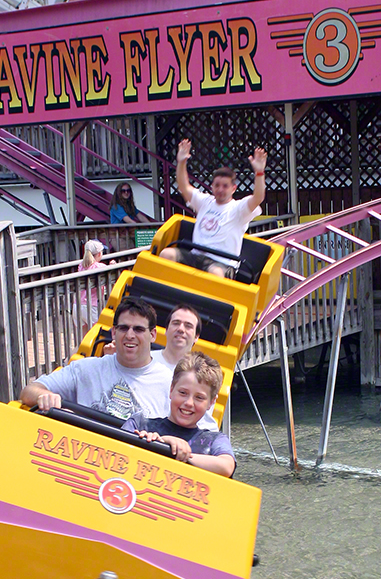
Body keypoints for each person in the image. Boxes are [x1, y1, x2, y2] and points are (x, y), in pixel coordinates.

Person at [20, 297, 172, 421]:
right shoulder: (86, 369)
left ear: (152, 335)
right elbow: (29, 391)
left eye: (138, 329)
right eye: (123, 328)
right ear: (113, 332)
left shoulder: (169, 382)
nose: (130, 335)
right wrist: (45, 397)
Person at [159, 139, 267, 277]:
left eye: (225, 186)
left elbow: (258, 197)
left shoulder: (238, 209)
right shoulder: (205, 202)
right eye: (217, 185)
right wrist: (181, 162)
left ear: (233, 188)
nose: (220, 189)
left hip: (220, 263)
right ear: (212, 186)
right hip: (196, 256)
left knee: (214, 274)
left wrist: (259, 173)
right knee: (166, 254)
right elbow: (184, 187)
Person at [122, 352, 235, 477]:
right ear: (171, 390)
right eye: (183, 393)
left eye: (199, 397)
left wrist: (178, 453)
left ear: (211, 402)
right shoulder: (139, 424)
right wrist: (160, 443)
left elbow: (226, 466)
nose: (189, 403)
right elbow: (115, 451)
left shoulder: (215, 440)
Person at [77, 239, 114, 337]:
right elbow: (110, 278)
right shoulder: (99, 266)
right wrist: (112, 266)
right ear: (98, 254)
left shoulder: (81, 266)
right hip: (91, 306)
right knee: (97, 335)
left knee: (84, 337)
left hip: (77, 305)